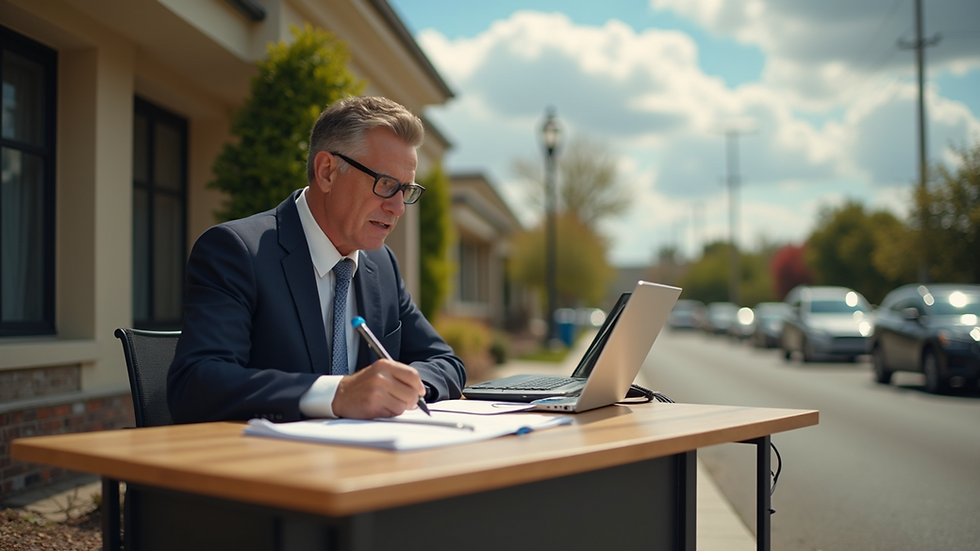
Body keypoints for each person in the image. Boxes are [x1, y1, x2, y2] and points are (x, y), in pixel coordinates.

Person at [167, 96, 466, 423]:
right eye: (385, 185)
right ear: (326, 172)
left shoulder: (381, 265)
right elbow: (196, 383)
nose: (397, 208)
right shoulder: (237, 251)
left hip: (369, 463)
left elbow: (445, 363)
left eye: (405, 190)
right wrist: (337, 394)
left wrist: (403, 387)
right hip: (269, 464)